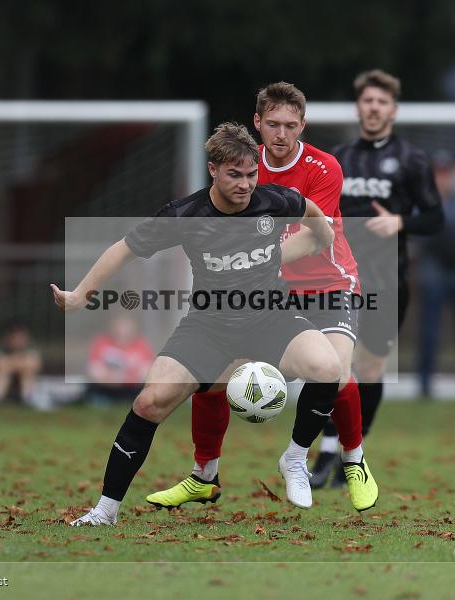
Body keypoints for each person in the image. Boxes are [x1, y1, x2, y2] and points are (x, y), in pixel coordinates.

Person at [51, 122, 343, 524]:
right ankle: (106, 510)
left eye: (251, 174)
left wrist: (320, 238)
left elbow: (311, 213)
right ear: (213, 170)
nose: (245, 184)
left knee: (328, 367)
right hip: (210, 326)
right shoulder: (184, 214)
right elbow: (124, 249)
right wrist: (81, 294)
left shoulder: (274, 200)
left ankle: (294, 459)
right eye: (234, 175)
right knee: (149, 402)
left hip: (270, 316)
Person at [147, 82, 377, 512]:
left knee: (336, 370)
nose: (281, 133)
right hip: (268, 289)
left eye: (291, 125)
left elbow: (311, 237)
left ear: (302, 126)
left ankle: (345, 459)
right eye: (272, 124)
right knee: (212, 373)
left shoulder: (324, 168)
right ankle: (204, 476)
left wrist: (248, 261)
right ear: (258, 123)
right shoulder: (244, 164)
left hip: (328, 281)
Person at [311, 69, 444, 486]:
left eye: (381, 102)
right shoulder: (338, 159)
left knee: (369, 368)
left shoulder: (412, 160)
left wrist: (400, 222)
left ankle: (352, 453)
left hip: (388, 281)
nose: (373, 108)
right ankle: (327, 452)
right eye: (367, 101)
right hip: (339, 279)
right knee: (333, 366)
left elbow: (435, 217)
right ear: (359, 107)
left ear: (393, 109)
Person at [416, 151, 455, 398]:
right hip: (434, 274)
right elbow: (422, 234)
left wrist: (438, 230)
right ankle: (425, 385)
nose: (442, 179)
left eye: (446, 174)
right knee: (430, 332)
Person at [86, 315, 154, 405]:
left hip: (133, 390)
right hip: (106, 389)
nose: (122, 330)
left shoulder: (142, 345)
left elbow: (146, 372)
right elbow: (94, 370)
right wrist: (110, 378)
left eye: (126, 325)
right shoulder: (101, 342)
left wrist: (126, 378)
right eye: (119, 325)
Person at [0, 321, 43, 407]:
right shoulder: (1, 346)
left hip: (26, 378)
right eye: (15, 337)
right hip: (5, 378)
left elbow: (35, 364)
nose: (18, 340)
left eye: (20, 337)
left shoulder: (31, 346)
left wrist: (12, 363)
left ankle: (27, 400)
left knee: (27, 372)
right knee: (2, 372)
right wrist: (17, 362)